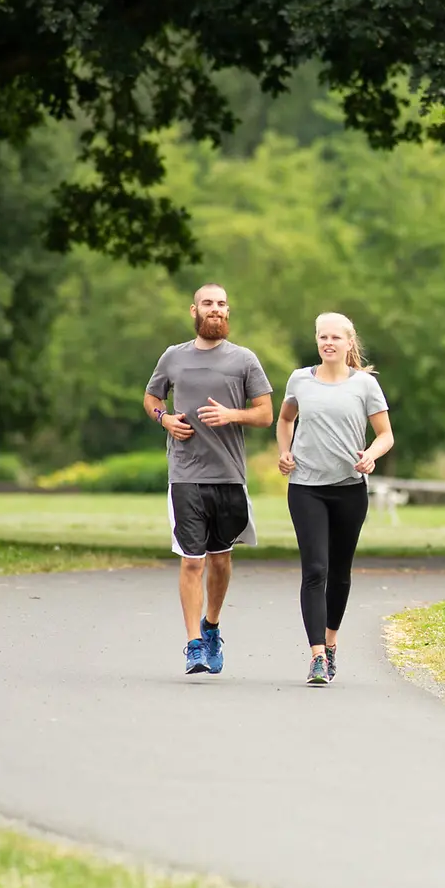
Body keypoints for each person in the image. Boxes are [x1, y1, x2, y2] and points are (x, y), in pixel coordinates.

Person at [144, 284, 273, 675]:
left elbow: (266, 414)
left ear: (228, 311)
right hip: (185, 475)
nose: (214, 310)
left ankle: (211, 626)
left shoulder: (244, 360)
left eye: (220, 304)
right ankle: (194, 645)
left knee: (220, 560)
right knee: (191, 562)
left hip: (230, 475)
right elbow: (152, 398)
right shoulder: (173, 357)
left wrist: (233, 416)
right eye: (207, 304)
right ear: (194, 311)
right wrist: (163, 419)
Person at [277, 312, 393, 685]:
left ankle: (330, 644)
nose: (328, 343)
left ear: (348, 343)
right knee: (315, 570)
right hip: (306, 487)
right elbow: (285, 420)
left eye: (335, 338)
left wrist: (371, 455)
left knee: (340, 573)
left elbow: (385, 435)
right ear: (317, 341)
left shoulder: (364, 385)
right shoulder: (299, 380)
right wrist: (285, 451)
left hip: (349, 490)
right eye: (322, 337)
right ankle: (315, 658)